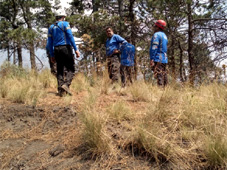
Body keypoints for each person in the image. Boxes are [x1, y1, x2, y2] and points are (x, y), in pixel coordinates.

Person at [47, 10, 80, 96]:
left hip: (56, 49)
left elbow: (49, 43)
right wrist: (76, 49)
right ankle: (66, 85)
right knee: (71, 69)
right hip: (66, 48)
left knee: (60, 69)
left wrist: (52, 54)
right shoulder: (65, 24)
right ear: (63, 17)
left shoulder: (51, 27)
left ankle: (60, 90)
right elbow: (70, 36)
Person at [149, 20, 168, 87]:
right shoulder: (164, 36)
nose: (154, 28)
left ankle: (160, 91)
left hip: (157, 58)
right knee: (164, 75)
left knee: (159, 75)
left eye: (155, 26)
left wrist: (152, 59)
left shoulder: (156, 35)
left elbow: (154, 47)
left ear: (157, 27)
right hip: (164, 59)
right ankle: (166, 90)